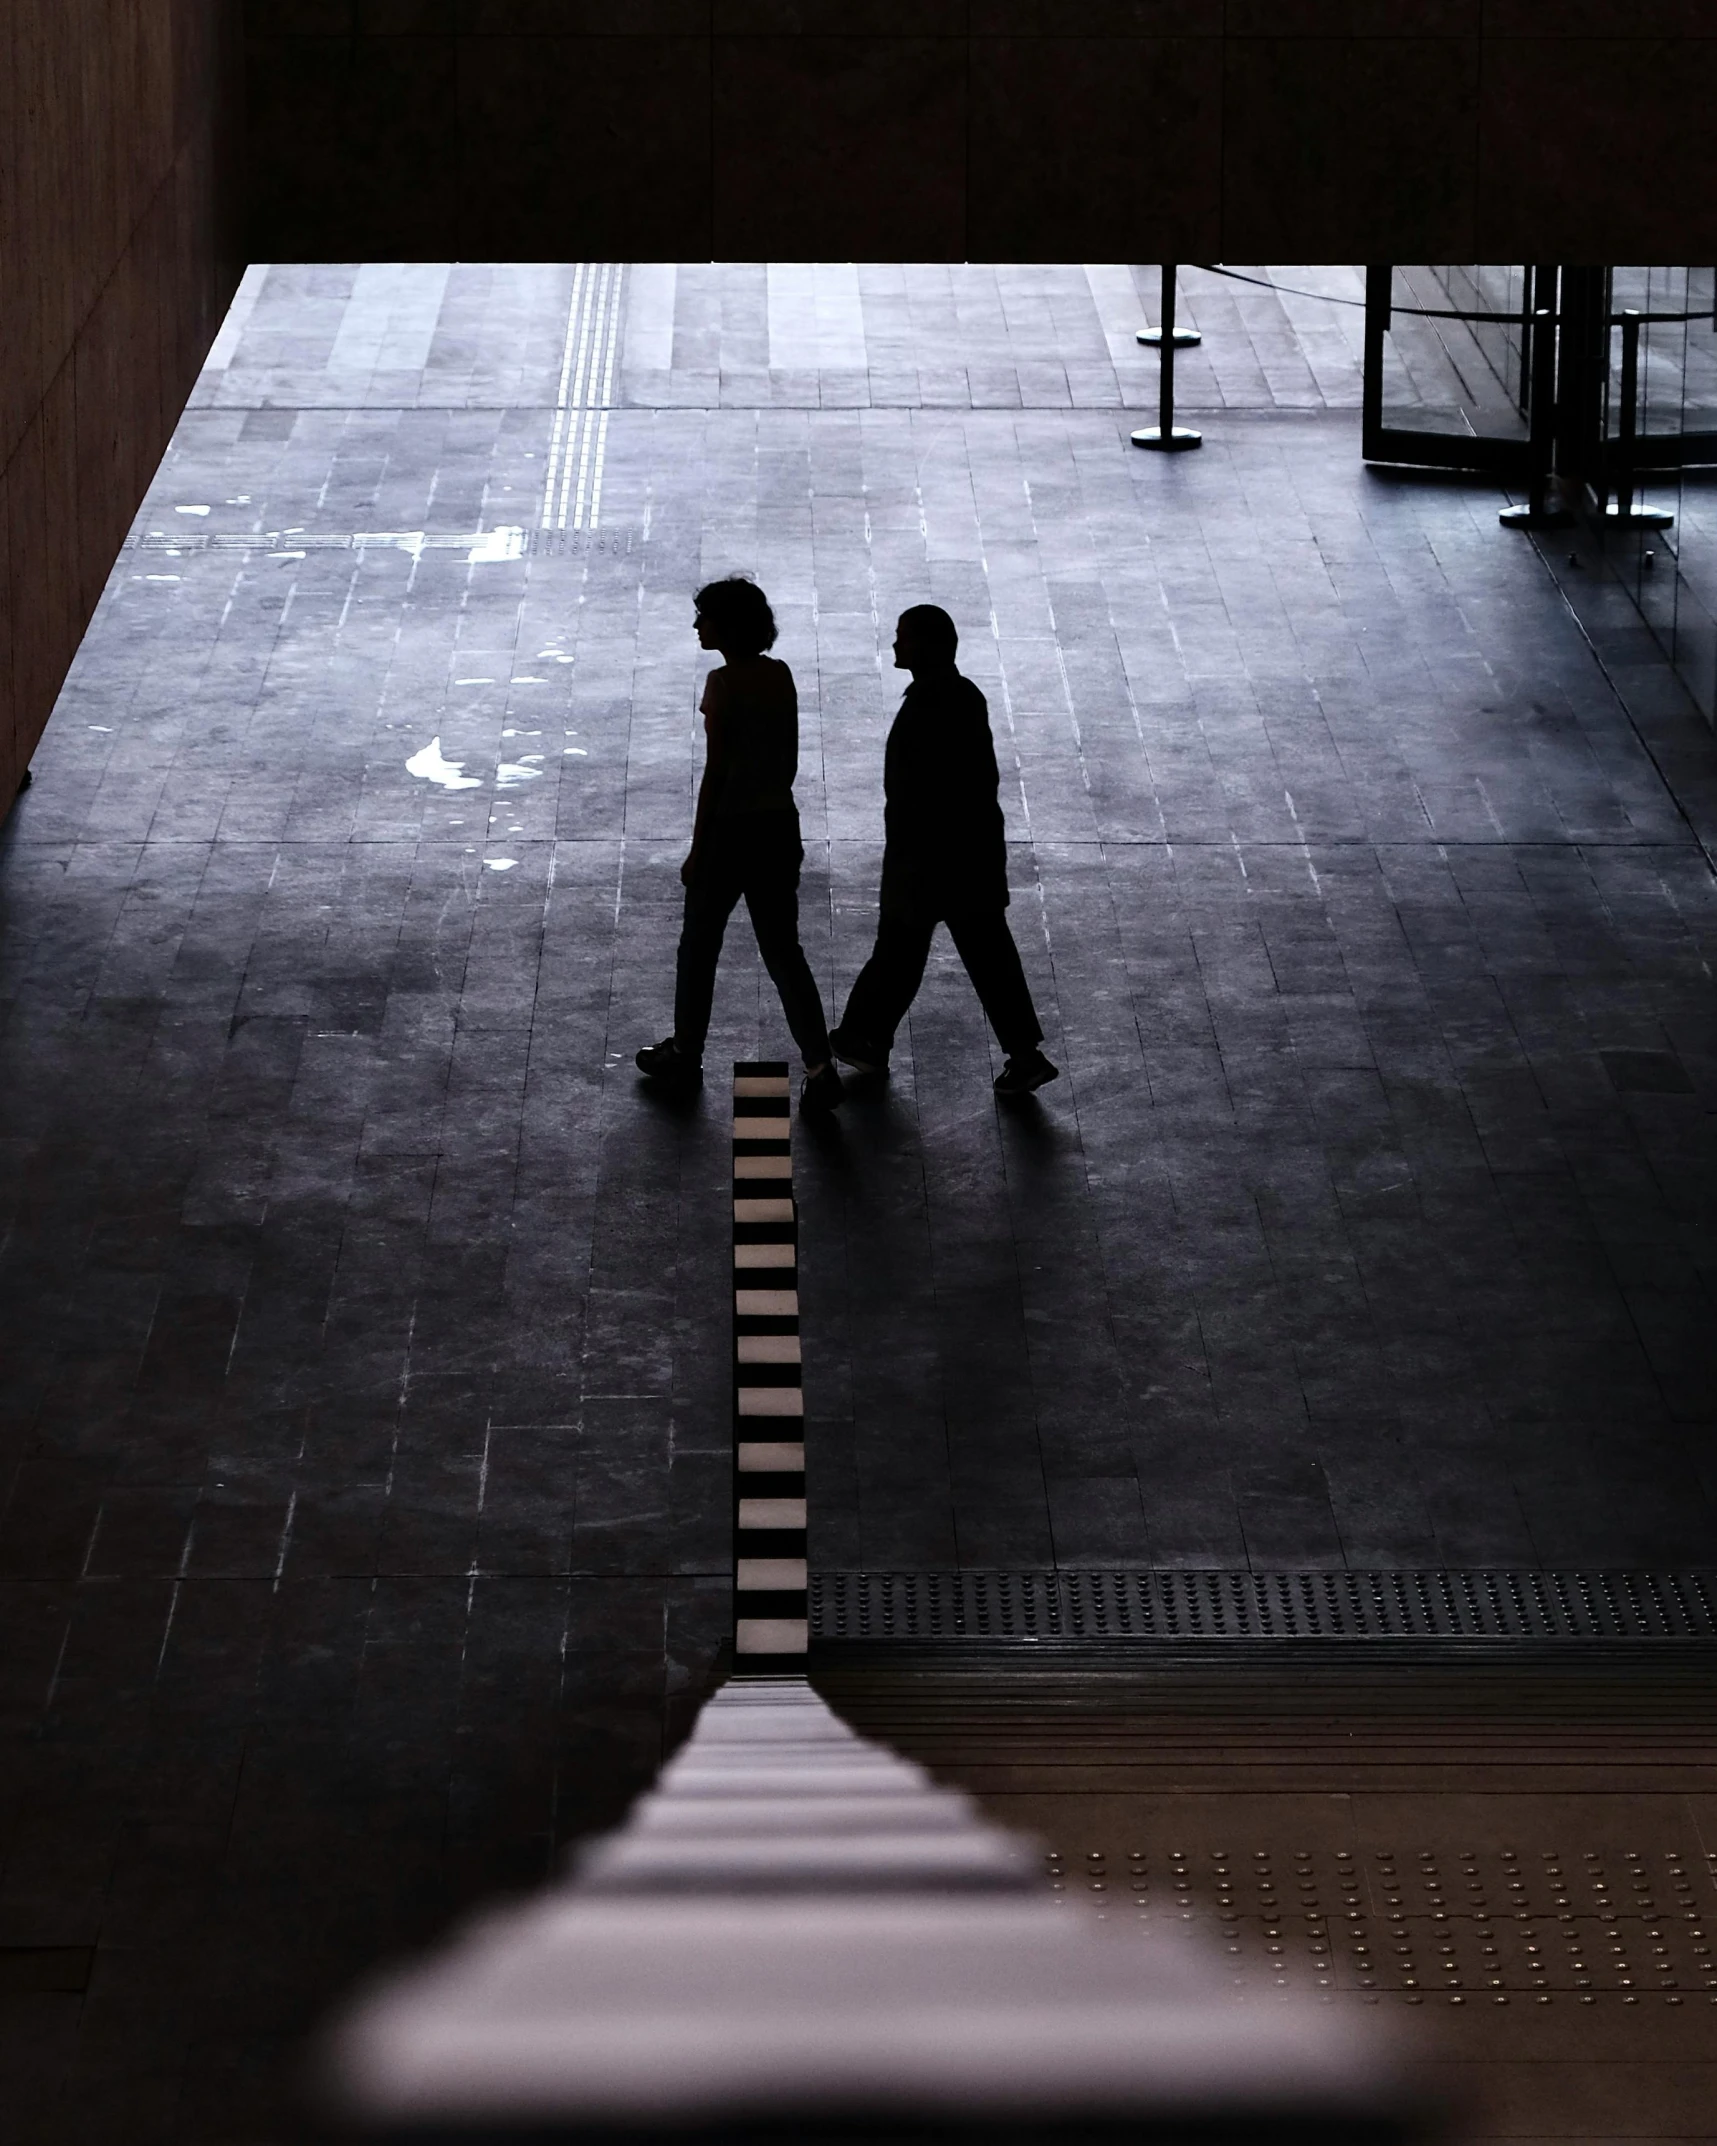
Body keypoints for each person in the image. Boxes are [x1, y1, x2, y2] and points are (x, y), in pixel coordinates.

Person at [830, 605, 1058, 1098]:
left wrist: (912, 857)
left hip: (931, 860)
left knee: (901, 950)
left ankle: (864, 1037)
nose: (895, 646)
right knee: (981, 957)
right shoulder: (960, 696)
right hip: (966, 857)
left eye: (903, 638)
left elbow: (926, 792)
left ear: (927, 646)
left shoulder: (932, 703)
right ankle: (1020, 1055)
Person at [636, 577, 843, 1112]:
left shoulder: (721, 685)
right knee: (783, 953)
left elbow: (716, 774)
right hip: (777, 825)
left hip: (730, 831)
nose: (696, 626)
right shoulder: (779, 676)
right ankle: (821, 1067)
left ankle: (686, 1052)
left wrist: (699, 848)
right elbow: (787, 761)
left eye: (703, 616)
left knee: (699, 948)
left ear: (726, 626)